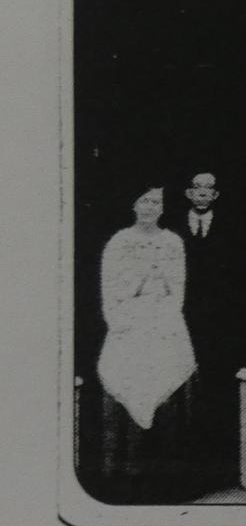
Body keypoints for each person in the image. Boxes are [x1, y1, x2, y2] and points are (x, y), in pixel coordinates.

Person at [96, 184, 195, 501]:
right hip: (130, 325)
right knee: (127, 388)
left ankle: (168, 482)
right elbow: (110, 290)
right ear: (133, 204)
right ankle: (125, 479)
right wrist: (140, 282)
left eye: (157, 202)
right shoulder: (119, 242)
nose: (151, 207)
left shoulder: (172, 242)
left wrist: (160, 285)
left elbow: (177, 289)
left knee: (168, 396)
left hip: (164, 323)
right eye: (145, 200)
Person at [175, 171, 243, 490]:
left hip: (218, 324)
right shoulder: (171, 230)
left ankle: (218, 466)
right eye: (197, 188)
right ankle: (183, 465)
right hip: (182, 321)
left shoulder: (231, 229)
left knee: (216, 389)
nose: (203, 194)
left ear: (216, 196)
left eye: (209, 190)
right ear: (189, 193)